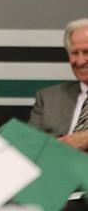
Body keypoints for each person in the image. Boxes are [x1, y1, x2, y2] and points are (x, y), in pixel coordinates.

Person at [29, 18, 88, 151]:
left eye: (86, 52)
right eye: (74, 53)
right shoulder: (49, 98)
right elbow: (31, 146)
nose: (80, 61)